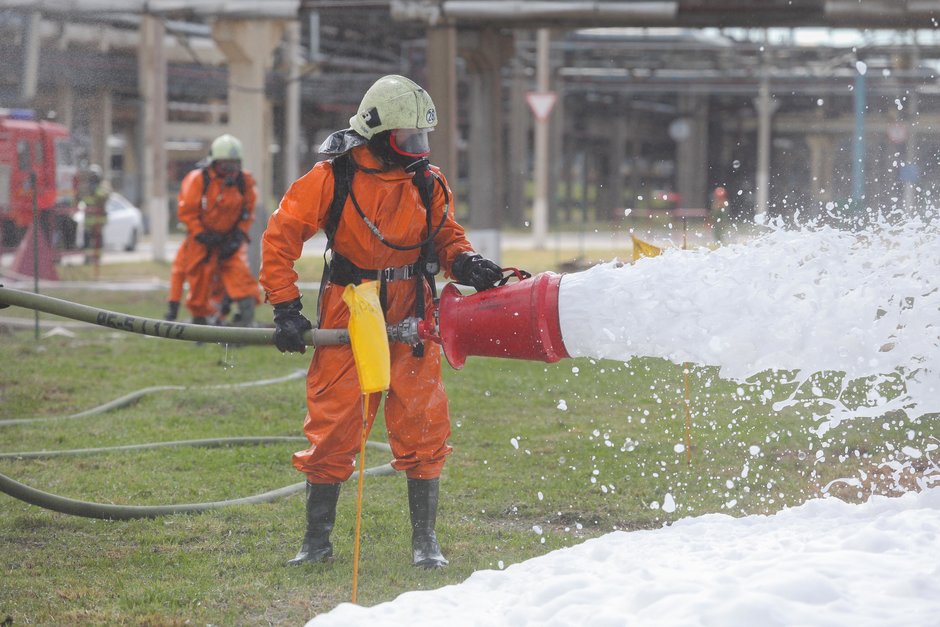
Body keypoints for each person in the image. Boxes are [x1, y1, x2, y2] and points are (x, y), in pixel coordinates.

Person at [260, 75, 503, 569]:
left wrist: (468, 262)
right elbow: (280, 237)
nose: (418, 150)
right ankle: (316, 543)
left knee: (423, 422)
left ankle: (424, 542)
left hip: (414, 314)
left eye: (422, 140)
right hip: (349, 311)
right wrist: (286, 307)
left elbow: (447, 238)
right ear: (376, 135)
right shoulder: (333, 178)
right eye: (407, 140)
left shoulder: (427, 181)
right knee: (333, 424)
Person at [176, 134, 260, 326]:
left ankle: (244, 325)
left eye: (234, 165)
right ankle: (199, 326)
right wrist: (201, 234)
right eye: (225, 165)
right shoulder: (199, 180)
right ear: (214, 163)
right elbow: (187, 211)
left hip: (229, 240)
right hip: (202, 241)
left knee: (242, 281)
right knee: (199, 283)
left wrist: (239, 235)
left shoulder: (244, 181)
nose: (230, 171)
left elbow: (248, 211)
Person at [79, 164, 111, 270]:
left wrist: (96, 190)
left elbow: (104, 197)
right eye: (91, 177)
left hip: (99, 219)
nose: (93, 179)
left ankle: (97, 258)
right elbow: (82, 198)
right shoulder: (87, 188)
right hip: (89, 219)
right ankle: (87, 258)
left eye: (94, 177)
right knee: (87, 240)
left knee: (98, 240)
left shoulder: (103, 186)